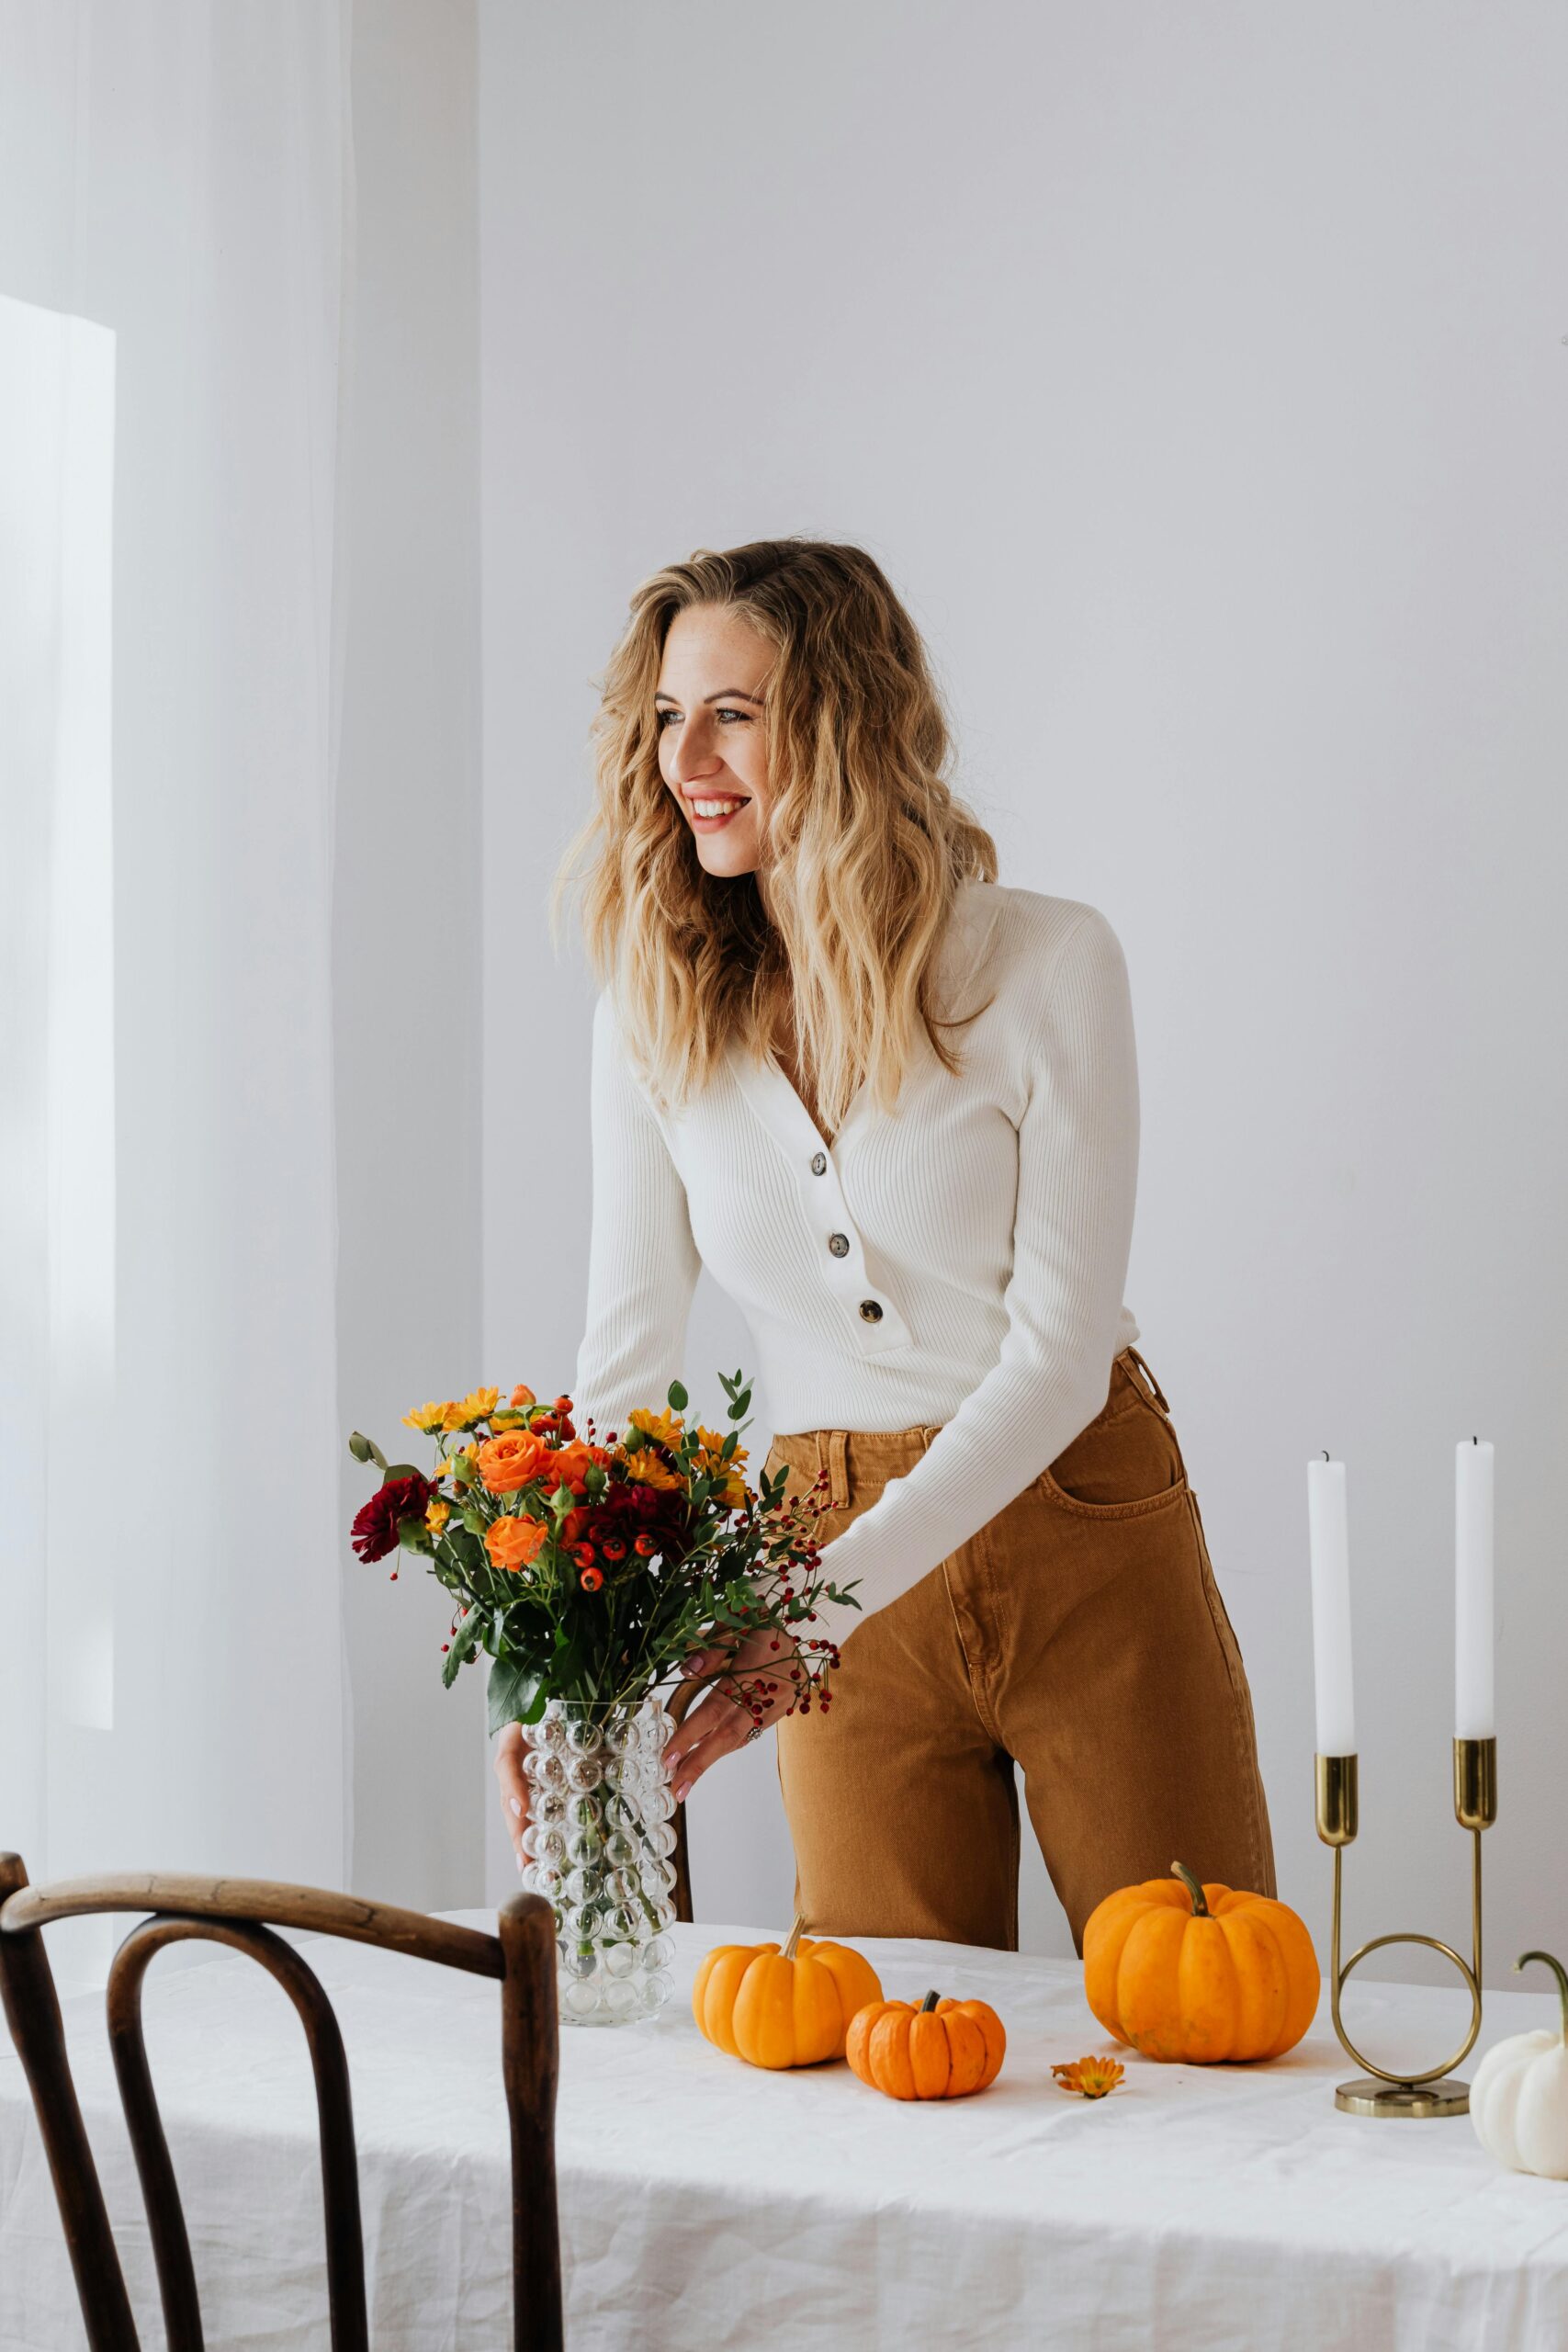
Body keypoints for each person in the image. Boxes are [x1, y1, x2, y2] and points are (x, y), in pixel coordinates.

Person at [494, 536, 1274, 1951]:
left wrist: (811, 1613)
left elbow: (1055, 1362)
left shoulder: (1048, 965)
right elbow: (626, 1361)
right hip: (818, 1537)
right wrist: (562, 1674)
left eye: (733, 711)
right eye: (669, 716)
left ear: (844, 723)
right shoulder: (650, 1016)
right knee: (885, 2054)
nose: (689, 757)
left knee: (1201, 2008)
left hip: (1079, 1521)